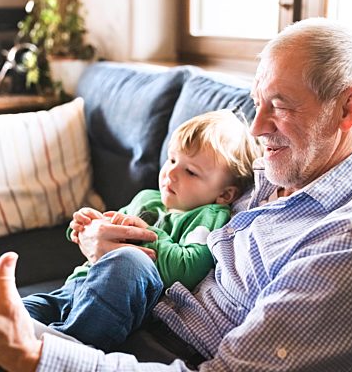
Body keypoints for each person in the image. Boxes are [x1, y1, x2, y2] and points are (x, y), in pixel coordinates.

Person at [0, 17, 352, 372]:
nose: (256, 128)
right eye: (257, 102)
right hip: (135, 317)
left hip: (160, 353)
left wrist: (38, 355)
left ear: (348, 108)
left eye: (279, 104)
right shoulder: (279, 173)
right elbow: (173, 223)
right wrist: (104, 245)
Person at [21, 109, 260, 350]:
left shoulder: (207, 216)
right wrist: (88, 225)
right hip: (77, 284)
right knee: (20, 310)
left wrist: (149, 235)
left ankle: (63, 348)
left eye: (190, 171)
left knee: (130, 261)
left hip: (125, 298)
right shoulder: (147, 198)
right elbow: (106, 234)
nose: (171, 173)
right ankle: (9, 328)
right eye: (173, 159)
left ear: (224, 194)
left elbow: (188, 269)